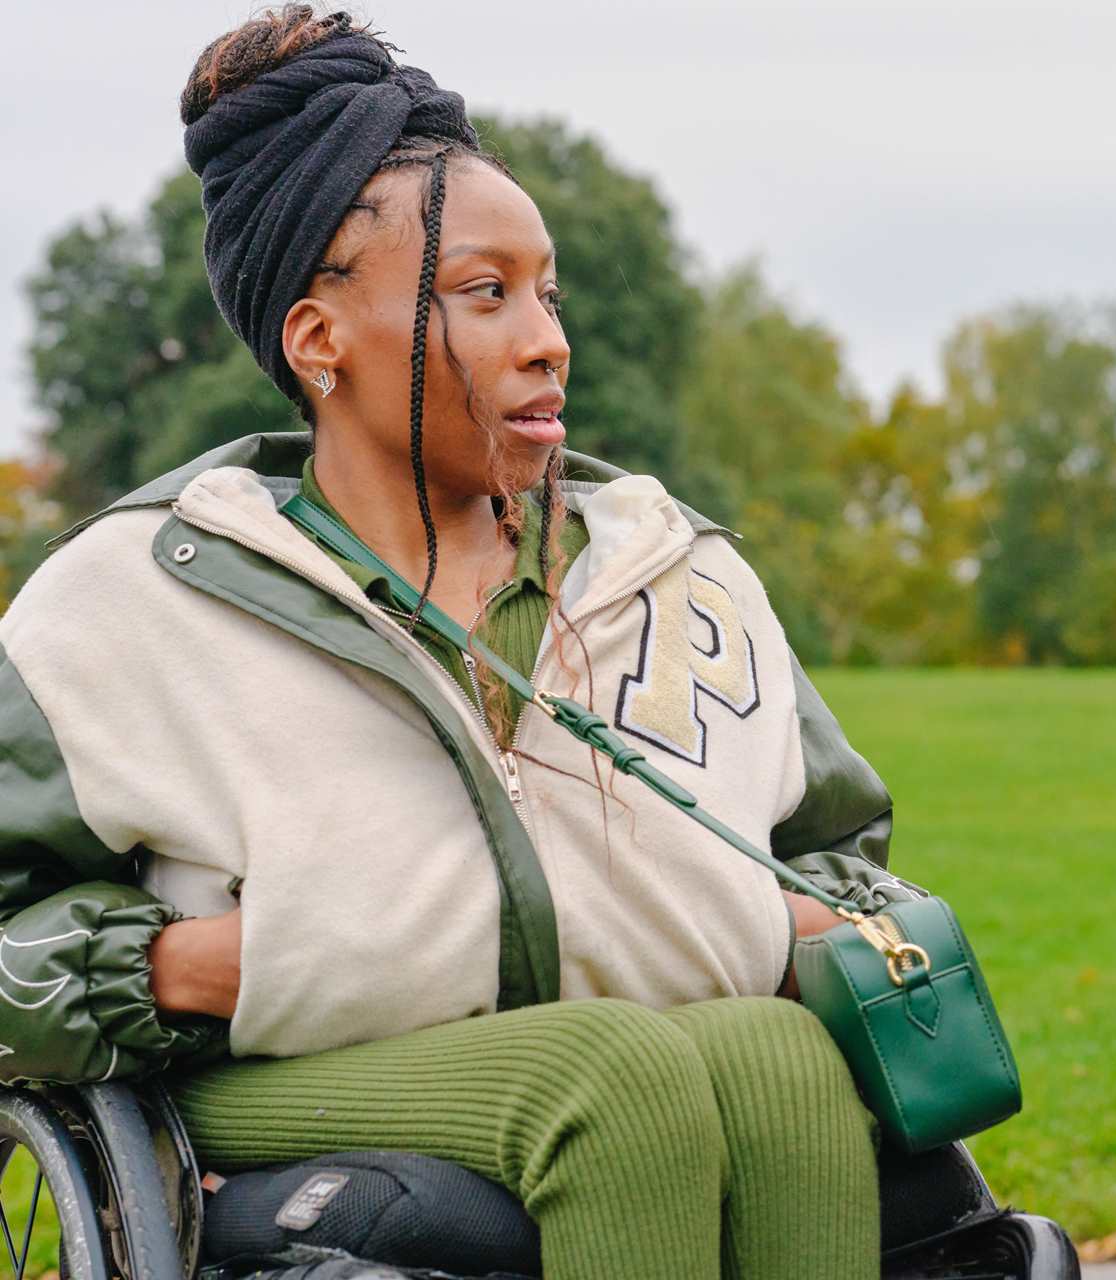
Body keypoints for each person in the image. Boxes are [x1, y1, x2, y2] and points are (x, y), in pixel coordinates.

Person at [0, 8, 904, 1277]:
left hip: (650, 1043)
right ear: (320, 342)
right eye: (486, 295)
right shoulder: (134, 599)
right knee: (618, 1075)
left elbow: (842, 850)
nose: (548, 338)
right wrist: (183, 966)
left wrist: (801, 916)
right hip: (288, 1078)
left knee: (780, 1059)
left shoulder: (674, 571)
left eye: (548, 291)